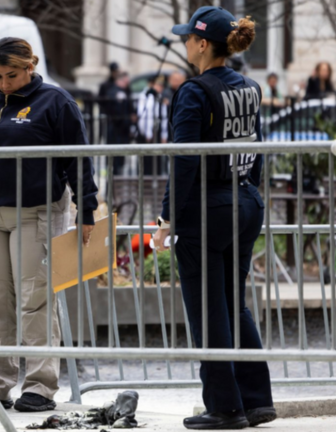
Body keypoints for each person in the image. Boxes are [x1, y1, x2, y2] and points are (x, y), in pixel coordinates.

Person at [0, 37, 99, 413]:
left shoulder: (56, 102)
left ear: (31, 66)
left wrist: (86, 210)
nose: (4, 84)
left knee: (34, 300)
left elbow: (79, 159)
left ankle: (41, 386)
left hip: (37, 211)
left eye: (12, 75)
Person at [153, 7, 276, 430]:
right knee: (232, 305)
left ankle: (225, 408)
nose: (184, 42)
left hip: (208, 207)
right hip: (244, 201)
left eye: (188, 37)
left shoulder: (193, 91)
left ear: (203, 44)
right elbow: (254, 145)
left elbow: (183, 160)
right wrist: (250, 190)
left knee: (208, 311)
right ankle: (257, 400)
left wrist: (167, 218)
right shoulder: (249, 86)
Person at [105, 71, 133, 174]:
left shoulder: (124, 91)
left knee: (120, 157)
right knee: (115, 158)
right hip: (116, 129)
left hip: (123, 129)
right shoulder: (114, 92)